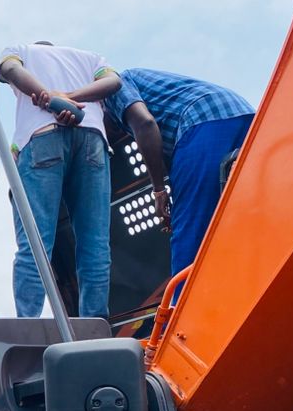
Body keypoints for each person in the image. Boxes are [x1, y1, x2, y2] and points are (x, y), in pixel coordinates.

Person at [0, 41, 121, 320]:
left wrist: (50, 97)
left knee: (36, 243)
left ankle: (27, 326)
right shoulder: (90, 55)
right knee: (95, 243)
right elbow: (113, 81)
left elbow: (9, 68)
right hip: (92, 139)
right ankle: (96, 328)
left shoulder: (21, 49)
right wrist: (72, 96)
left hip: (42, 137)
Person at [102, 68, 255, 276]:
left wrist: (159, 191)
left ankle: (181, 301)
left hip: (204, 119)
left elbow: (145, 125)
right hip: (242, 113)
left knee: (190, 227)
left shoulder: (109, 87)